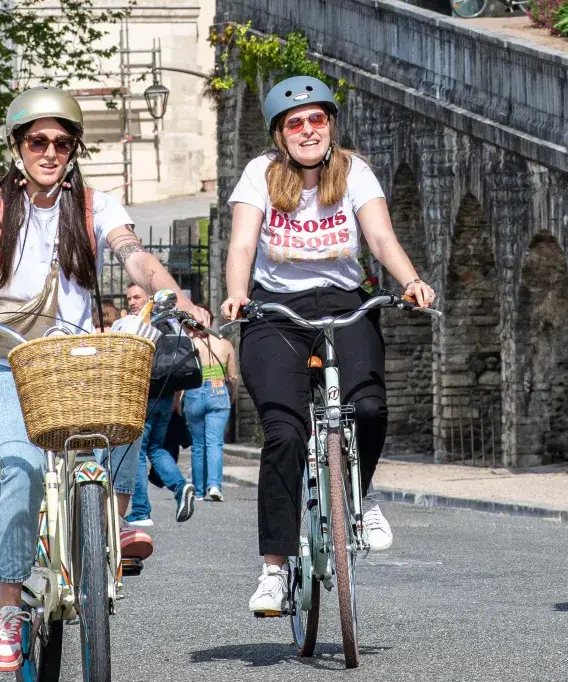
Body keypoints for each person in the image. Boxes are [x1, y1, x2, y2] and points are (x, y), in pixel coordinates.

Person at [0, 86, 210, 673]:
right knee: (22, 464)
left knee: (131, 375)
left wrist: (176, 297)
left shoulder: (93, 205)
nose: (50, 151)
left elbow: (133, 254)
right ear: (16, 147)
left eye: (62, 142)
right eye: (38, 141)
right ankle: (9, 606)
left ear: (75, 149)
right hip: (6, 363)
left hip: (75, 364)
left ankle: (124, 514)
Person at [221, 75, 436, 616]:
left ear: (331, 125)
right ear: (279, 134)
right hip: (276, 311)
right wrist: (236, 295)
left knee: (369, 406)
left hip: (344, 302)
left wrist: (410, 280)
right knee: (285, 434)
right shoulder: (259, 175)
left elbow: (381, 238)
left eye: (317, 119)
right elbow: (243, 243)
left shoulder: (354, 171)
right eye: (295, 122)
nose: (308, 129)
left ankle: (358, 500)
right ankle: (274, 568)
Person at [112, 282, 196, 529]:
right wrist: (177, 400)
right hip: (167, 395)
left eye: (136, 297)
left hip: (147, 394)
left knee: (136, 452)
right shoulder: (173, 324)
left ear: (149, 298)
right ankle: (181, 487)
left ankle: (139, 510)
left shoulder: (146, 323)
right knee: (156, 448)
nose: (132, 302)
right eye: (129, 298)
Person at [183, 321, 237, 502]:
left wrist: (178, 401)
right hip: (218, 390)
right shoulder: (225, 344)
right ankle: (214, 485)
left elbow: (182, 374)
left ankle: (198, 492)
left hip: (194, 392)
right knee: (215, 443)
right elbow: (233, 376)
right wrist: (232, 394)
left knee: (198, 445)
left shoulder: (190, 344)